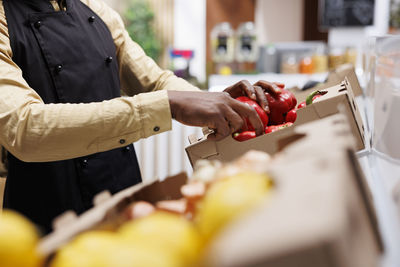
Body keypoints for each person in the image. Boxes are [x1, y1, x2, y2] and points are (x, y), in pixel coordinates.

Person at [0, 0, 281, 233]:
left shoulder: (94, 8)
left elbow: (154, 80)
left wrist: (213, 101)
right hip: (48, 210)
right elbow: (25, 126)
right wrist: (168, 105)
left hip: (122, 194)